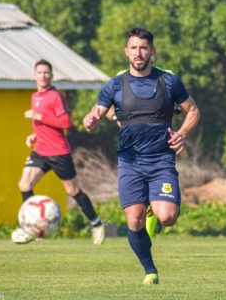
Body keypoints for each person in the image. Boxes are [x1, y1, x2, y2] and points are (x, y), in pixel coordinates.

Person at [82, 27, 200, 284]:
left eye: (143, 47)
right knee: (133, 219)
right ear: (126, 52)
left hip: (161, 161)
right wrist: (90, 121)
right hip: (130, 162)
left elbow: (192, 111)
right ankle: (150, 270)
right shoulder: (115, 85)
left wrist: (182, 133)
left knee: (167, 217)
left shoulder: (169, 82)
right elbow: (93, 116)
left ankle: (155, 211)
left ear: (152, 52)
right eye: (134, 47)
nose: (138, 52)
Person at [13, 59, 106, 245]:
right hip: (40, 151)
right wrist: (34, 136)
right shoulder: (35, 97)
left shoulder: (56, 96)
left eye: (46, 72)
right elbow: (44, 127)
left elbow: (65, 123)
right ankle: (30, 228)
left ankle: (96, 223)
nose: (43, 76)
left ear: (52, 76)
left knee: (72, 190)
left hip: (58, 152)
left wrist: (39, 116)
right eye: (39, 72)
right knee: (24, 184)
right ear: (34, 76)